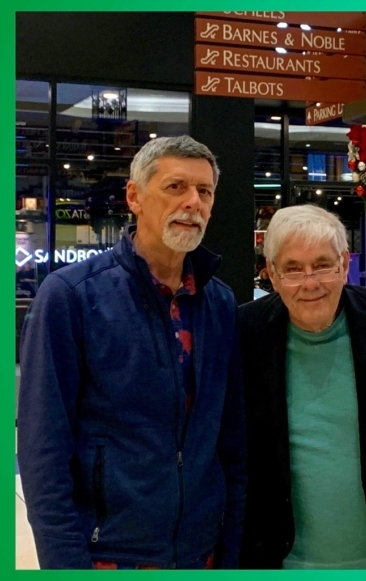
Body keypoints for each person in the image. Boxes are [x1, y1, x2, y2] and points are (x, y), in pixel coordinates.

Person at [17, 136, 246, 569]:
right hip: (108, 555)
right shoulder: (72, 298)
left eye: (205, 191)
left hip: (202, 554)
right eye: (176, 187)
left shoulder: (219, 304)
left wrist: (230, 552)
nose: (193, 202)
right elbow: (43, 452)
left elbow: (231, 444)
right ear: (135, 197)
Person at [238, 205, 366, 570]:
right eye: (293, 269)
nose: (310, 283)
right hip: (279, 559)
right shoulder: (244, 332)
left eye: (322, 265)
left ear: (343, 264)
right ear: (271, 274)